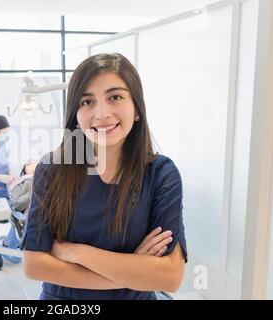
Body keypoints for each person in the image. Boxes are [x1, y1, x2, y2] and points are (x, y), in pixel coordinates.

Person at [21, 53, 187, 300]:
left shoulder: (161, 174)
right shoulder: (53, 170)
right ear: (75, 115)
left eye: (115, 97)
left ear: (137, 109)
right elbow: (34, 265)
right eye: (87, 102)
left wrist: (77, 253)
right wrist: (134, 271)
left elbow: (170, 277)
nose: (101, 113)